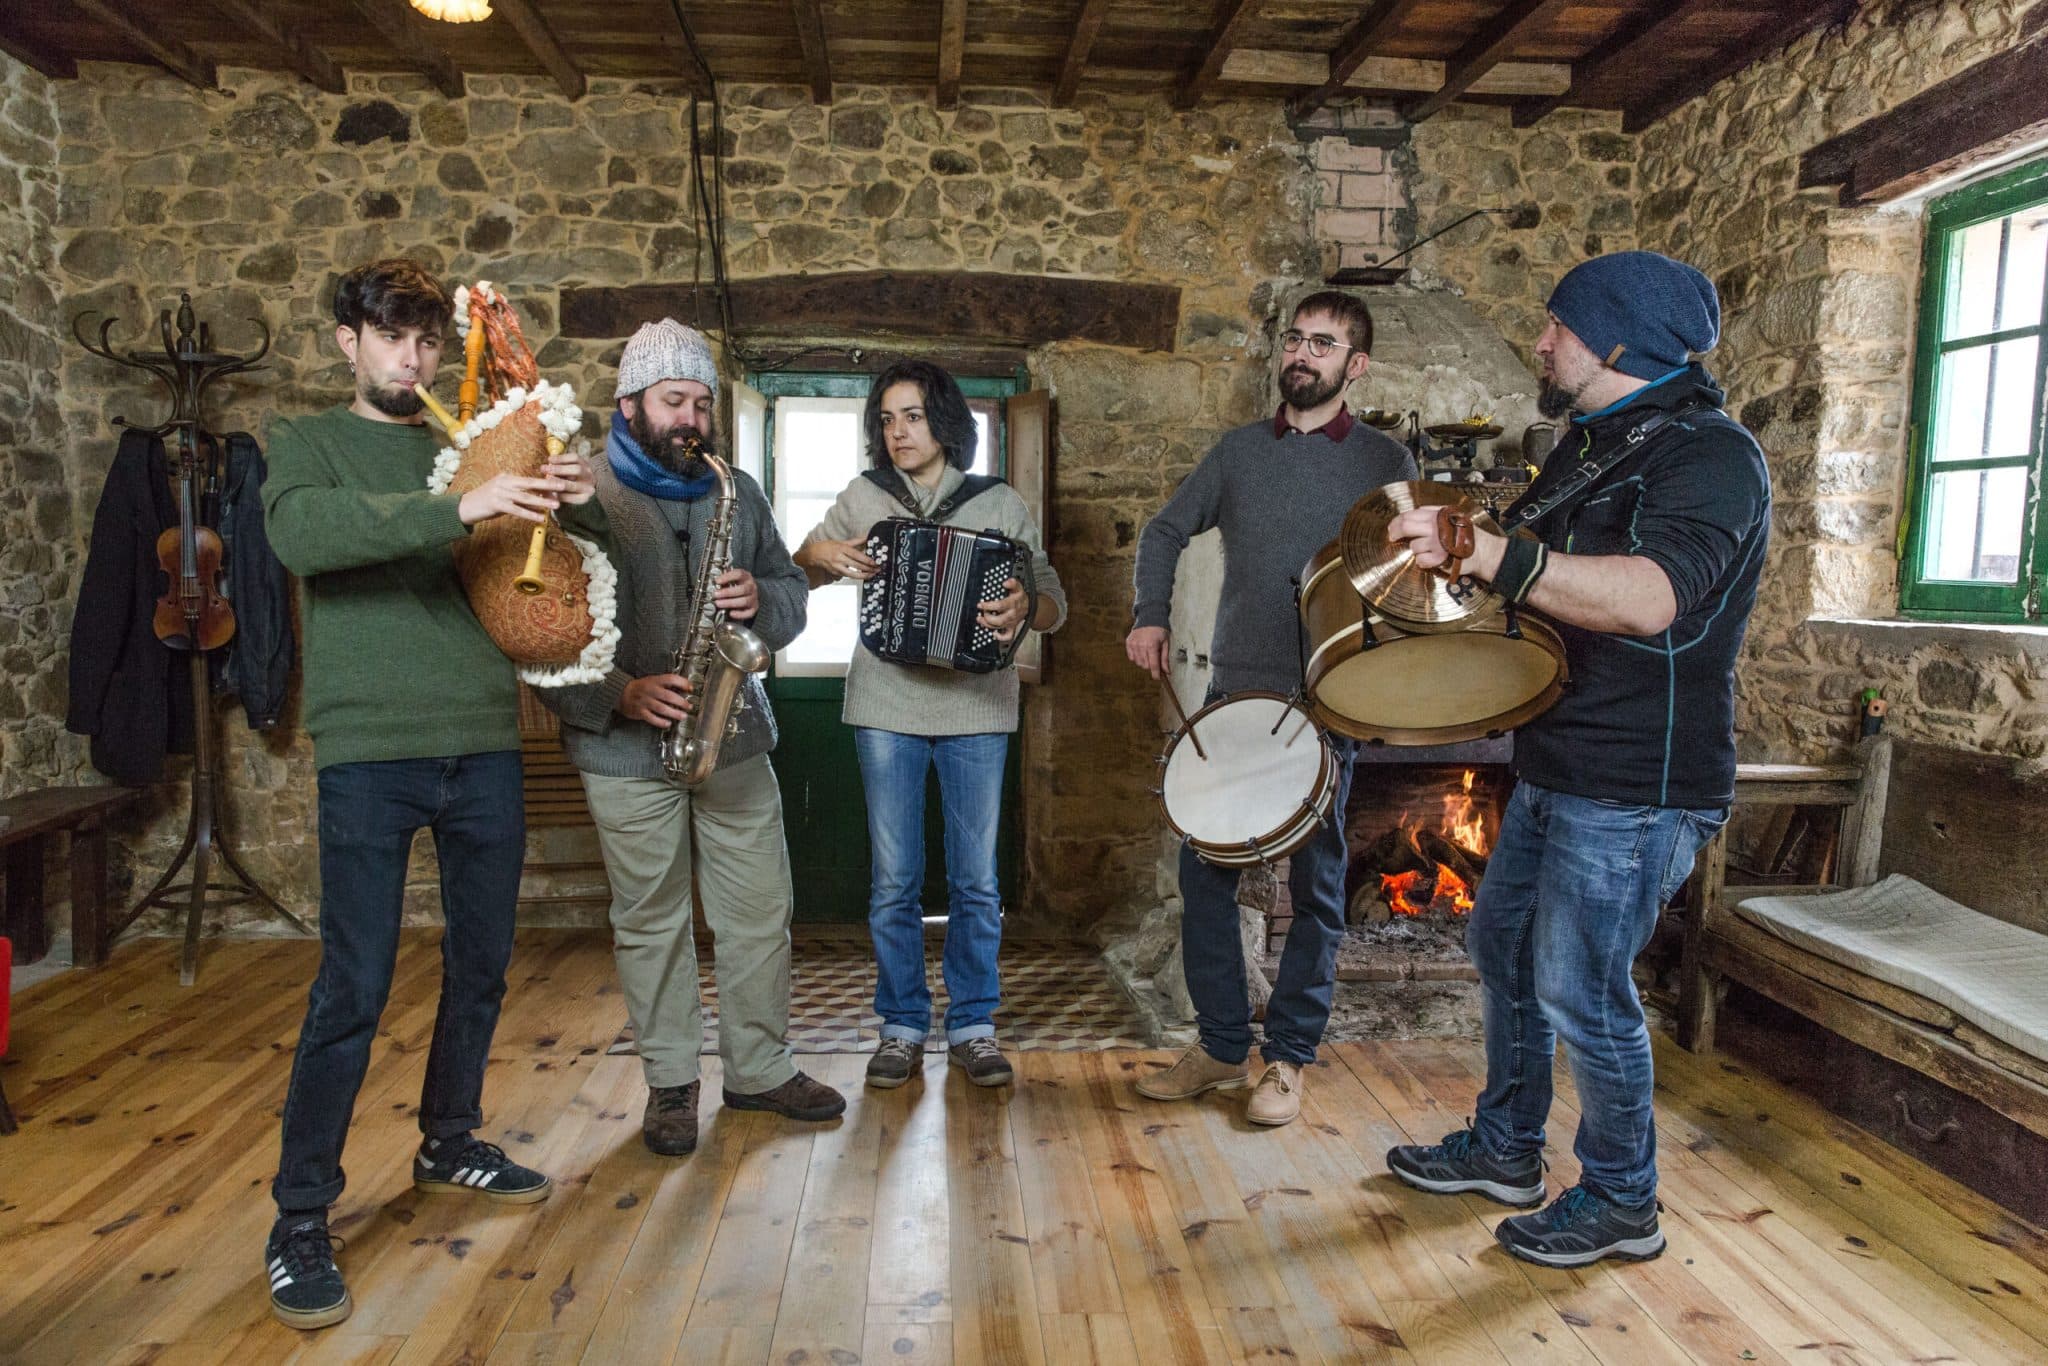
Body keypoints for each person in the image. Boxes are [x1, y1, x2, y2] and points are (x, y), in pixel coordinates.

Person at [1382, 250, 1769, 1268]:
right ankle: (1506, 1148)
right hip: (1558, 758)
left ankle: (1618, 1197)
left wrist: (1483, 552)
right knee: (1502, 952)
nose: (1542, 340)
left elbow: (1646, 598)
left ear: (1614, 340)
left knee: (1581, 988)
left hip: (1640, 781)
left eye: (1557, 325)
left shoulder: (1709, 453)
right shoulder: (1591, 444)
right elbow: (1532, 580)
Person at [262, 259, 602, 1330]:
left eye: (424, 341)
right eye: (390, 337)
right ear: (345, 341)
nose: (411, 359)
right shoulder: (302, 444)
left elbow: (527, 574)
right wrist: (461, 500)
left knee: (482, 962)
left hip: (478, 737)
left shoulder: (471, 441)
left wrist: (567, 503)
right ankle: (300, 1214)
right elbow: (307, 537)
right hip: (369, 746)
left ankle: (450, 1137)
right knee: (353, 984)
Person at [539, 319, 845, 1158]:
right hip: (624, 747)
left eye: (702, 403)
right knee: (652, 921)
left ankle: (759, 1069)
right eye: (675, 401)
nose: (692, 419)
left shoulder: (734, 490)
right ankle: (671, 1084)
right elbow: (537, 628)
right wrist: (619, 694)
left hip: (734, 737)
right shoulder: (579, 492)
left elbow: (789, 590)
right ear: (628, 403)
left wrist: (763, 600)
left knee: (760, 914)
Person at [1125, 291, 1415, 1127]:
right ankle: (1221, 1048)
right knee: (1204, 876)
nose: (1302, 353)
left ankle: (1288, 1061)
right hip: (1232, 699)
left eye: (1322, 344)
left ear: (1354, 367)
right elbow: (1163, 530)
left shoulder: (1383, 461)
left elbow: (1406, 577)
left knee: (1317, 888)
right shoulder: (1238, 453)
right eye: (1295, 338)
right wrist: (1149, 614)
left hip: (1329, 705)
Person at [793, 359, 1065, 1090]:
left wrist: (1023, 610)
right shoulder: (865, 496)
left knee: (976, 881)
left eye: (911, 416)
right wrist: (817, 554)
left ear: (944, 422)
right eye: (885, 419)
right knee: (894, 880)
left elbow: (1051, 600)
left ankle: (974, 1024)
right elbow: (802, 571)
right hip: (886, 704)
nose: (897, 432)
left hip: (978, 706)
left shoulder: (997, 501)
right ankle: (902, 1025)